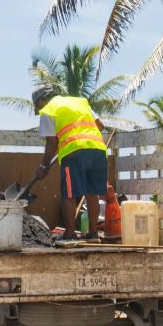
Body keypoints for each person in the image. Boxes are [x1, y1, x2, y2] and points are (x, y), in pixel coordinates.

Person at [33, 85, 111, 240]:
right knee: (92, 193)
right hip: (98, 150)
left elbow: (51, 143)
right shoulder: (80, 102)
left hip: (74, 153)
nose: (38, 108)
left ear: (42, 100)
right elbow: (100, 126)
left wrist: (44, 166)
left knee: (68, 194)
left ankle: (70, 234)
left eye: (37, 105)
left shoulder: (49, 110)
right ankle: (93, 233)